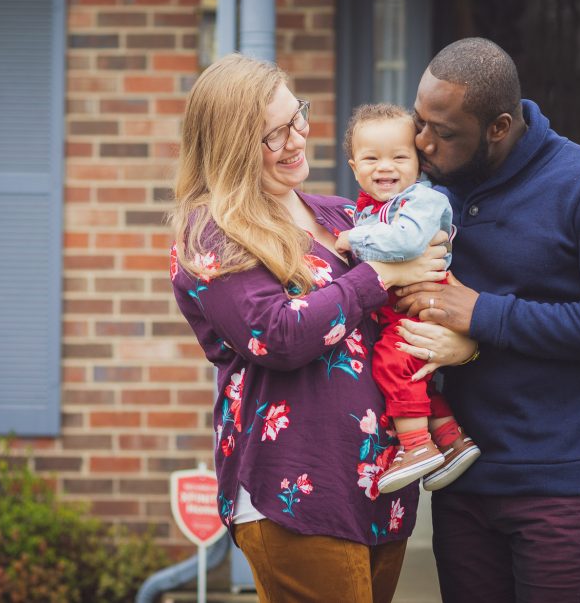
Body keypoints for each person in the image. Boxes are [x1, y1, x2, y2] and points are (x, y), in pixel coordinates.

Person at [168, 53, 451, 603]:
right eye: (273, 135)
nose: (297, 140)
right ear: (230, 145)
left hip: (380, 482)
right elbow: (278, 335)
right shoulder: (213, 232)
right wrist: (383, 273)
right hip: (296, 488)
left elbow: (415, 294)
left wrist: (458, 341)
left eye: (297, 116)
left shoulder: (345, 216)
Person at [393, 37, 580, 602]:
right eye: (420, 122)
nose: (421, 143)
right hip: (462, 476)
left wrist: (483, 314)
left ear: (498, 126)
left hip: (560, 484)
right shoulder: (427, 193)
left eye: (443, 132)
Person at [334, 103, 481, 495]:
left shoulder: (422, 202)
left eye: (399, 157)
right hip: (400, 309)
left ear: (419, 163)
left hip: (426, 306)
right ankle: (450, 441)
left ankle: (416, 448)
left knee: (392, 365)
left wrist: (354, 240)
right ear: (353, 167)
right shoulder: (366, 210)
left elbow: (407, 242)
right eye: (372, 158)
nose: (386, 167)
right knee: (414, 380)